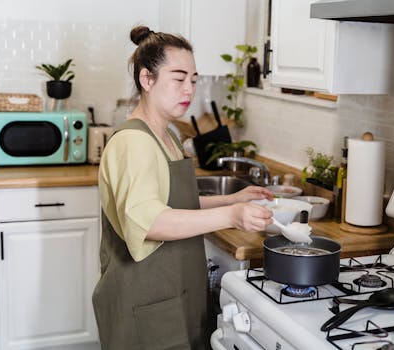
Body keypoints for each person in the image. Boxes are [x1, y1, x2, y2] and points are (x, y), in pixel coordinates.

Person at [92, 25, 274, 350]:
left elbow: (176, 204)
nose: (188, 89)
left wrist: (231, 199)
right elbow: (151, 222)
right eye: (178, 79)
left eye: (193, 79)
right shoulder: (134, 142)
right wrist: (231, 215)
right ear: (147, 79)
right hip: (145, 303)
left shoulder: (168, 135)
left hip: (171, 296)